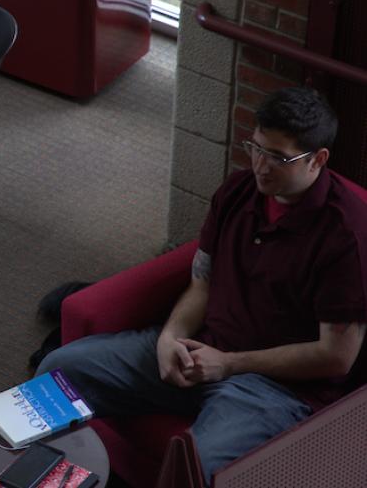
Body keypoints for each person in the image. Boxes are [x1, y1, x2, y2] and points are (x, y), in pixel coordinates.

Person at [37, 87, 366, 484]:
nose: (261, 166)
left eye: (279, 158)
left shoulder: (345, 237)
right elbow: (201, 283)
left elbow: (336, 356)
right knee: (58, 371)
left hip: (271, 389)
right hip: (200, 351)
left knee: (193, 468)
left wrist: (227, 364)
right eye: (257, 148)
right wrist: (170, 338)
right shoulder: (237, 192)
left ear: (318, 159)